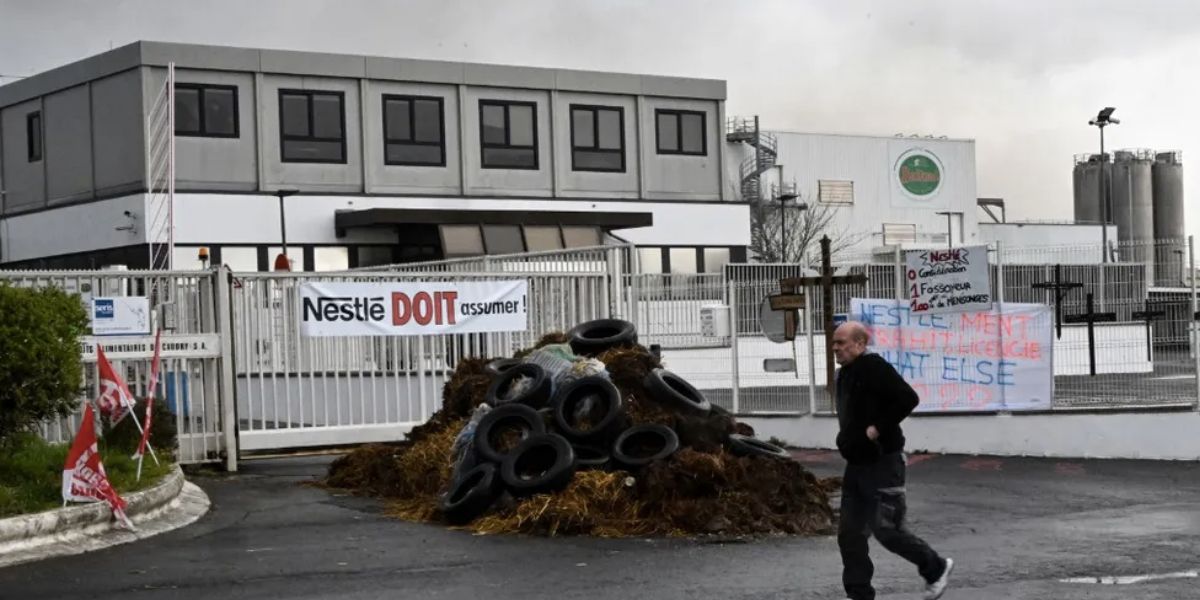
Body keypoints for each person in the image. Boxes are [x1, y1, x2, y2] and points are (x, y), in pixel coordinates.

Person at [831, 320, 953, 600]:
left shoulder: (874, 367)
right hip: (857, 465)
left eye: (841, 342)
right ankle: (859, 594)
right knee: (850, 534)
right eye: (834, 343)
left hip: (884, 463)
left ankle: (935, 567)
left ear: (860, 344)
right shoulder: (846, 374)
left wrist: (875, 429)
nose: (835, 348)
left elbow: (908, 398)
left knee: (887, 530)